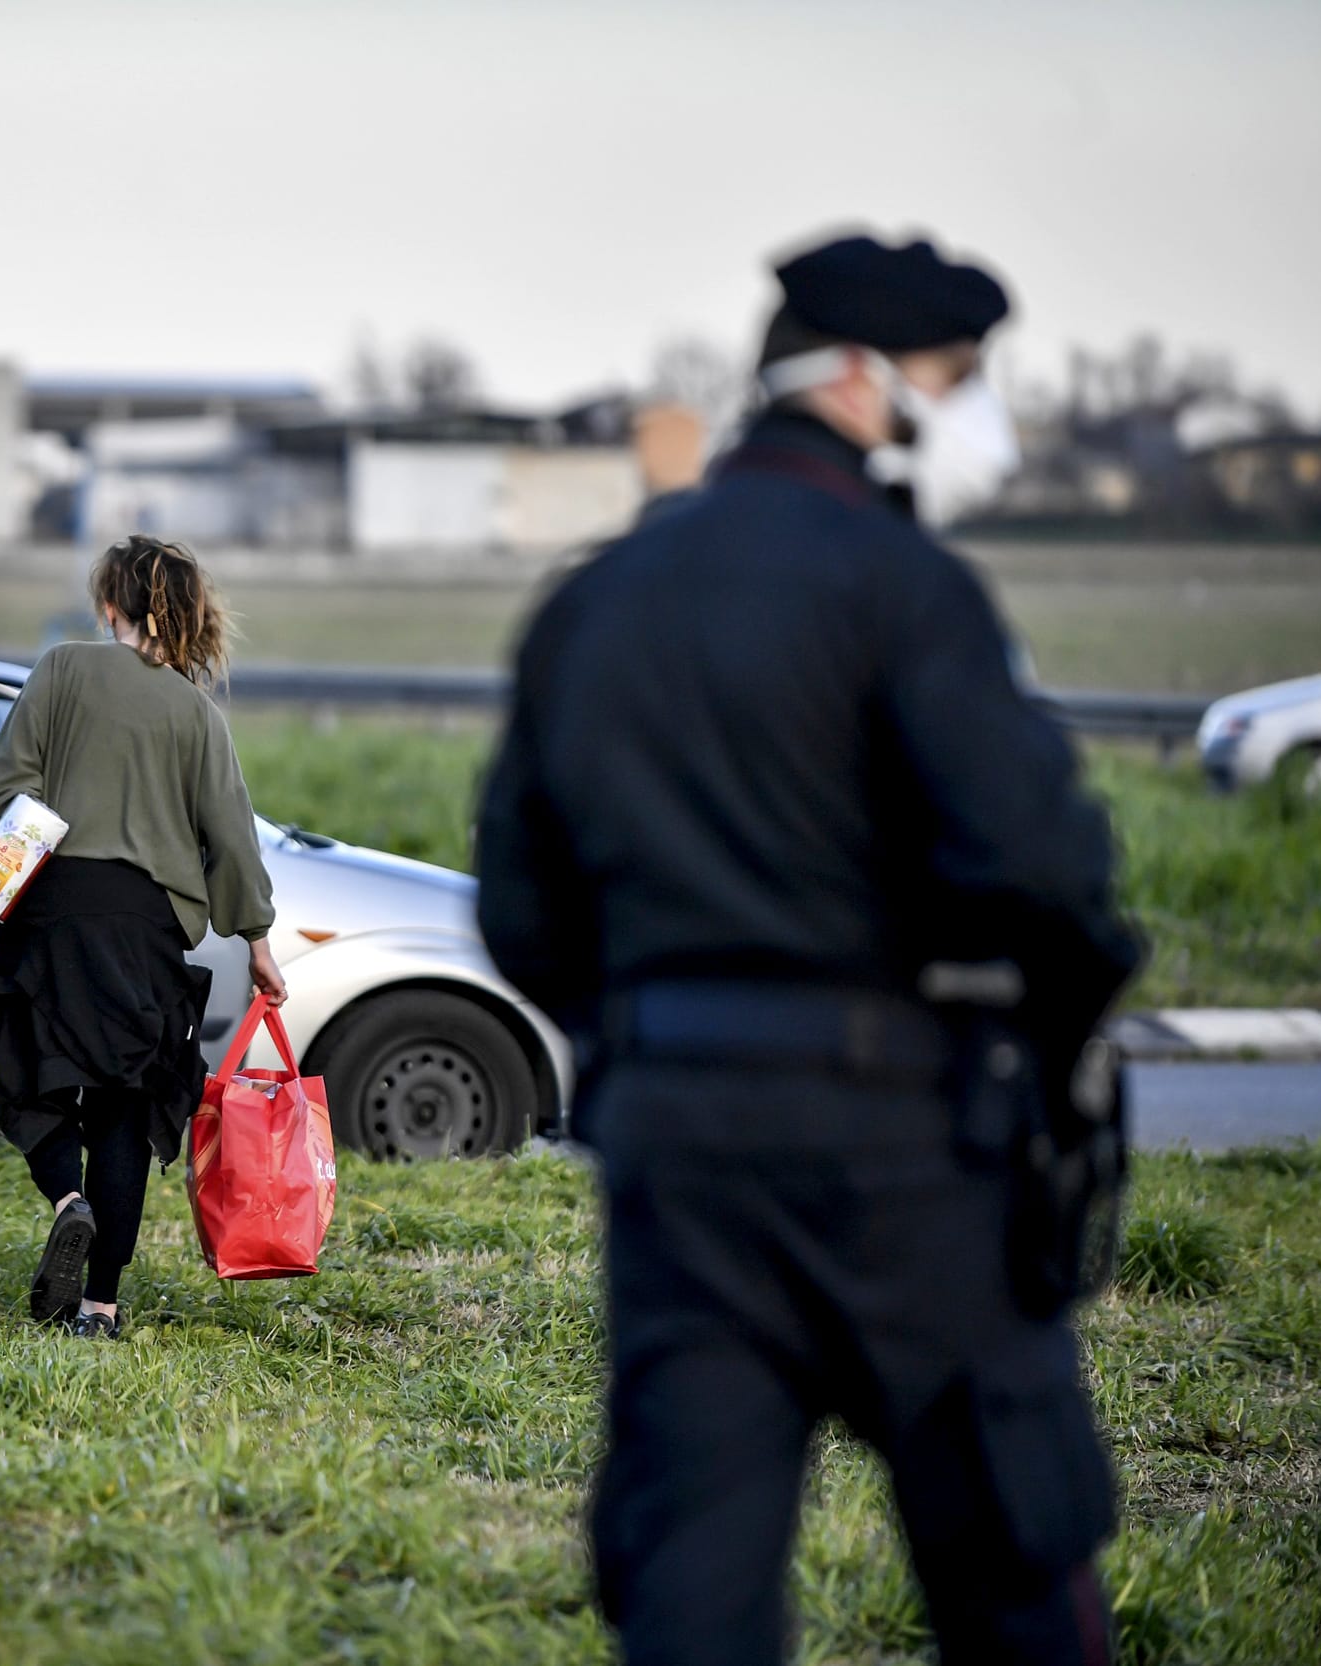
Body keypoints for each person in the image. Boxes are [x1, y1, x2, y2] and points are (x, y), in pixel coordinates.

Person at [475, 233, 1142, 1665]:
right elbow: (1051, 875)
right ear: (860, 383)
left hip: (676, 1140)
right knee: (1012, 1553)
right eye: (955, 379)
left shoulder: (596, 602)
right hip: (909, 1133)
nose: (971, 414)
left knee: (692, 1577)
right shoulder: (907, 588)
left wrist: (658, 1030)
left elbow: (521, 911)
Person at [0, 534, 286, 1339]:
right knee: (124, 1109)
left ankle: (68, 1200)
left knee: (21, 1074)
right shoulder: (199, 714)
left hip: (51, 908)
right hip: (145, 927)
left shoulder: (62, 670)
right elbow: (232, 838)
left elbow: (6, 780)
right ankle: (99, 1308)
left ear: (110, 606)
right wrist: (257, 941)